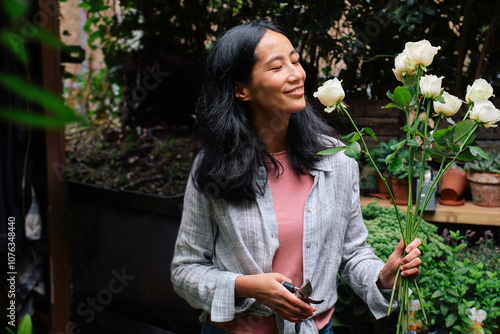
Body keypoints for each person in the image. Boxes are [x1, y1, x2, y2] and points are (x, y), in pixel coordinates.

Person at [170, 19, 422, 334]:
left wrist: (383, 278)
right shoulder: (214, 168)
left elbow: (353, 252)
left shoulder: (336, 159)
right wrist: (247, 286)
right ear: (241, 89)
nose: (296, 74)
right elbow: (185, 271)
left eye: (295, 60)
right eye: (276, 68)